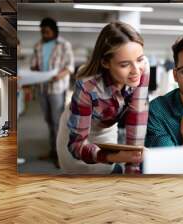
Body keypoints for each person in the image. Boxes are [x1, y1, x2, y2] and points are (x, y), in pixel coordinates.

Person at [56, 21, 150, 174]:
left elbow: (137, 117)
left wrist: (133, 166)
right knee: (82, 180)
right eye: (125, 64)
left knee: (107, 173)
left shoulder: (142, 68)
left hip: (106, 128)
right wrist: (112, 157)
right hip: (76, 131)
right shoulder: (88, 86)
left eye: (139, 59)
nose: (136, 71)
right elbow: (76, 145)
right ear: (106, 63)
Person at [30, 17, 74, 166]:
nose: (45, 34)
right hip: (42, 87)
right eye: (42, 32)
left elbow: (70, 66)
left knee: (57, 122)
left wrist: (58, 76)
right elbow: (34, 65)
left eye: (47, 31)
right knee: (49, 121)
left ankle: (61, 154)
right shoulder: (38, 45)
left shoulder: (64, 45)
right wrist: (35, 70)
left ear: (54, 31)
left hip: (57, 88)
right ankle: (52, 150)